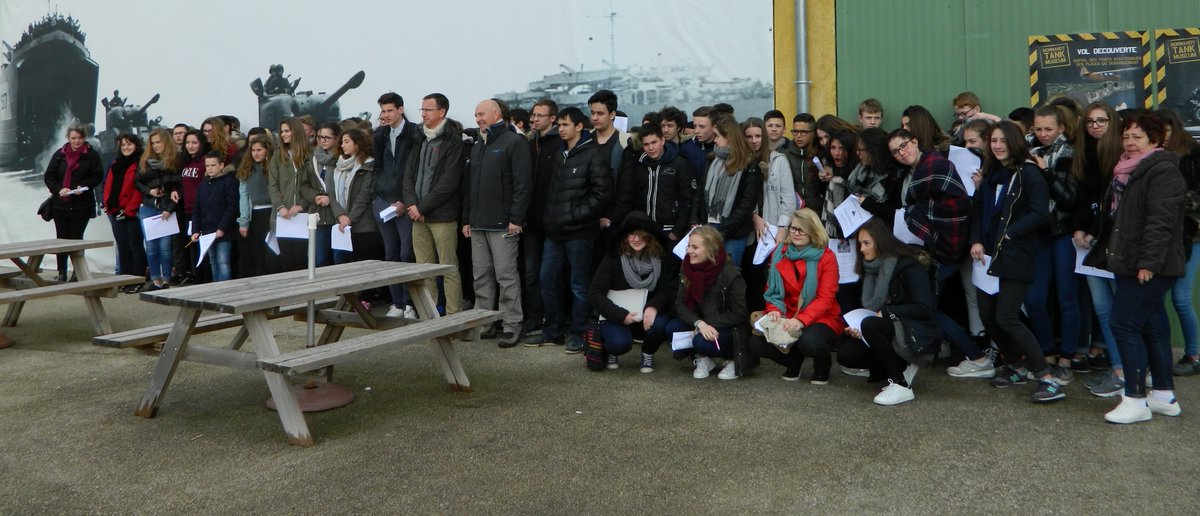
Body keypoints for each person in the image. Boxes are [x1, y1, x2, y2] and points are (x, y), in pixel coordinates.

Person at [1087, 112, 1186, 423]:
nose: (1129, 143)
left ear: (1155, 141)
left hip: (1148, 265)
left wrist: (1148, 263)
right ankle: (1163, 395)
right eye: (1126, 136)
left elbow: (1160, 222)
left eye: (1137, 137)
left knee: (1124, 324)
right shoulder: (1126, 170)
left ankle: (1135, 399)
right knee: (1152, 324)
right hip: (1127, 261)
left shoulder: (1162, 170)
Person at [969, 121, 1061, 403]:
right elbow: (979, 209)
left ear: (1015, 142)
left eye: (1002, 141)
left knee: (1008, 316)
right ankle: (1016, 365)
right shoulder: (992, 172)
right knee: (989, 315)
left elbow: (1039, 213)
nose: (997, 146)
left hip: (1015, 253)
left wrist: (1012, 232)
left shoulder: (1029, 172)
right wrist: (976, 240)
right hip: (986, 256)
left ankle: (1046, 377)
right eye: (993, 140)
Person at [526, 107, 610, 352]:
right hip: (554, 232)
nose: (561, 129)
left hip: (579, 233)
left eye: (565, 125)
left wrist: (574, 216)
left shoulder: (592, 154)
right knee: (547, 280)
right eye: (559, 125)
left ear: (579, 127)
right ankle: (553, 331)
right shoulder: (560, 154)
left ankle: (579, 332)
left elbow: (601, 195)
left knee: (579, 286)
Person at [839, 218, 940, 405]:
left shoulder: (909, 266)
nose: (861, 249)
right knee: (847, 353)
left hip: (914, 330)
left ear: (881, 241)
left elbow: (925, 308)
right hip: (889, 326)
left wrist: (887, 312)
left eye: (866, 243)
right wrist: (857, 329)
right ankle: (899, 366)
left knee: (870, 325)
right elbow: (869, 309)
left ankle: (901, 384)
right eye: (860, 244)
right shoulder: (870, 270)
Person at [463, 99, 531, 348]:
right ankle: (485, 322)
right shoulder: (479, 145)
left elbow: (523, 185)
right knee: (481, 276)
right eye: (475, 114)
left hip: (504, 224)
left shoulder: (514, 142)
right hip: (479, 224)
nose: (478, 118)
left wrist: (516, 219)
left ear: (495, 114)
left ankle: (512, 325)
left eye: (481, 114)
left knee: (506, 276)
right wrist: (467, 219)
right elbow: (471, 186)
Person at [750, 208, 843, 383]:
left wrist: (801, 320)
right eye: (793, 228)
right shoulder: (780, 252)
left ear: (813, 231)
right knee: (756, 343)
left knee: (810, 342)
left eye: (801, 229)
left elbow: (825, 298)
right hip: (787, 314)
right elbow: (772, 290)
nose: (795, 233)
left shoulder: (827, 257)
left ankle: (822, 367)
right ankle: (794, 362)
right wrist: (774, 310)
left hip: (821, 317)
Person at [1072, 102, 1125, 397]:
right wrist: (1080, 228)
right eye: (1090, 121)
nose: (1095, 126)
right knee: (1102, 307)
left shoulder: (1121, 157)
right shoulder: (1083, 156)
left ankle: (1134, 371)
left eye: (1101, 120)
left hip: (1112, 242)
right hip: (1086, 244)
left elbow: (1113, 205)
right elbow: (1082, 197)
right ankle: (1117, 368)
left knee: (1121, 309)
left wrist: (1092, 230)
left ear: (1112, 123)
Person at [1029, 105, 1084, 376]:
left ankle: (1066, 358)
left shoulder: (1070, 153)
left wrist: (1045, 172)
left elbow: (1070, 199)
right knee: (1035, 299)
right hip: (1038, 233)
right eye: (1038, 129)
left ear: (1061, 128)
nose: (1042, 134)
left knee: (1066, 298)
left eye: (1048, 129)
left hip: (1063, 233)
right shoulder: (1028, 151)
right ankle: (1047, 353)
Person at [589, 213, 677, 373]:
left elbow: (665, 290)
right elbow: (595, 293)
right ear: (624, 236)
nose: (636, 239)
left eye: (641, 235)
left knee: (662, 324)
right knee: (619, 343)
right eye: (631, 234)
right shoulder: (613, 257)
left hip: (644, 315)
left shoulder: (658, 258)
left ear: (649, 237)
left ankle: (647, 353)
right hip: (616, 314)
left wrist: (653, 306)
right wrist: (620, 315)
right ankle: (611, 351)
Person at [403, 93, 464, 315]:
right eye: (422, 109)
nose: (423, 114)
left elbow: (448, 183)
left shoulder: (453, 141)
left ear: (442, 112)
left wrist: (422, 207)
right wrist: (412, 205)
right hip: (417, 216)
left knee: (448, 268)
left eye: (428, 109)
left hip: (442, 216)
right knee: (424, 269)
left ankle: (453, 317)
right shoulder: (419, 138)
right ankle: (429, 316)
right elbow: (408, 175)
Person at [666, 226, 748, 380]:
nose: (689, 251)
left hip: (727, 327)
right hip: (701, 323)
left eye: (695, 247)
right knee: (672, 328)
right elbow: (680, 304)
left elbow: (740, 314)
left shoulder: (731, 273)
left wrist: (706, 324)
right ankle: (704, 359)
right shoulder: (687, 267)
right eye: (688, 246)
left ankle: (732, 360)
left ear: (711, 250)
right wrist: (699, 323)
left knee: (701, 341)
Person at [1158, 109, 1200, 377]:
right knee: (1157, 299)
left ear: (1176, 129)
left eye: (1166, 131)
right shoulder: (1154, 156)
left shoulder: (1193, 155)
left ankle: (1194, 355)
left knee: (1182, 299)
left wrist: (1175, 200)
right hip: (1162, 237)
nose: (1161, 137)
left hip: (1190, 235)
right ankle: (1160, 352)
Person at [373, 92, 420, 320]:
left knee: (407, 253)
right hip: (384, 201)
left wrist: (404, 199)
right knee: (390, 253)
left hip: (406, 202)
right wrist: (381, 196)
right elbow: (378, 168)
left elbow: (414, 171)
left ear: (401, 109)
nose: (386, 115)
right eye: (383, 111)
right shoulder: (379, 135)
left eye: (390, 110)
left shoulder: (414, 133)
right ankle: (397, 302)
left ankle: (411, 303)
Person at [610, 122, 696, 241]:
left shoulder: (680, 164)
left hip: (670, 229)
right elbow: (633, 197)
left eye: (654, 142)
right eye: (646, 144)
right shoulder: (638, 164)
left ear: (662, 140)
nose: (650, 148)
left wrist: (676, 231)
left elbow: (688, 201)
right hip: (645, 229)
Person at [695, 116, 761, 265]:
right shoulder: (713, 159)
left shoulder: (749, 164)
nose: (715, 140)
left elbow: (747, 203)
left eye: (717, 136)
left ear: (730, 137)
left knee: (728, 275)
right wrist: (696, 221)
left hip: (734, 232)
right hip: (709, 225)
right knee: (708, 273)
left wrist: (723, 230)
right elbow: (701, 191)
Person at [43, 124, 103, 282]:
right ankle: (61, 271)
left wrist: (84, 186)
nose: (77, 141)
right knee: (62, 238)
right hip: (60, 205)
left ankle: (77, 272)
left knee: (76, 238)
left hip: (81, 204)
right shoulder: (59, 155)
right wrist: (58, 189)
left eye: (80, 138)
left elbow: (97, 176)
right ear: (68, 139)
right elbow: (49, 176)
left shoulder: (92, 155)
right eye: (73, 138)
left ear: (84, 138)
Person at [523, 99, 560, 336]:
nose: (535, 119)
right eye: (533, 115)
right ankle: (534, 317)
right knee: (530, 273)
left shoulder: (559, 144)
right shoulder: (528, 143)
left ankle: (554, 319)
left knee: (551, 275)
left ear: (552, 118)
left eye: (540, 115)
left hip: (552, 221)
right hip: (529, 220)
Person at [101, 133, 147, 293]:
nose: (126, 147)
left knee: (135, 246)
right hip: (115, 211)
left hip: (131, 213)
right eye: (123, 145)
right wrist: (107, 204)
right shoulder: (115, 163)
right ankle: (125, 278)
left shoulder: (140, 164)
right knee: (123, 247)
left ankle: (137, 279)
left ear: (136, 145)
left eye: (129, 144)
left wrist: (129, 210)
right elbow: (108, 185)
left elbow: (138, 189)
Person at [136, 128, 181, 290]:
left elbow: (177, 186)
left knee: (165, 247)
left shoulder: (174, 160)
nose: (155, 146)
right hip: (148, 207)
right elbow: (138, 181)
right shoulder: (145, 159)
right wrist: (150, 191)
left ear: (165, 142)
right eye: (152, 143)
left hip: (166, 208)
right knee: (151, 247)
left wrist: (169, 208)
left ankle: (167, 278)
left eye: (158, 142)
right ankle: (156, 279)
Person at [268, 118, 314, 273]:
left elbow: (314, 185)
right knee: (286, 260)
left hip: (304, 216)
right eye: (282, 131)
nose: (283, 134)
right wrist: (280, 207)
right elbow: (272, 185)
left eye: (287, 131)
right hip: (283, 217)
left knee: (301, 258)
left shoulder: (310, 154)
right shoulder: (277, 155)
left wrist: (302, 204)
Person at [331, 128, 382, 264]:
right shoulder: (338, 167)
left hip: (364, 226)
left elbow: (364, 196)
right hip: (343, 225)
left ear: (358, 143)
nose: (342, 145)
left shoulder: (368, 166)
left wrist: (350, 218)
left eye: (347, 142)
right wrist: (340, 215)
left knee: (367, 266)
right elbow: (331, 194)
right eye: (342, 142)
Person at [190, 151, 239, 282]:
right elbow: (197, 210)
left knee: (223, 261)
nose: (210, 168)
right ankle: (215, 288)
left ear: (221, 165)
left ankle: (225, 290)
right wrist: (195, 230)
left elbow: (232, 208)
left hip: (224, 232)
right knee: (213, 261)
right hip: (207, 231)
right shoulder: (202, 185)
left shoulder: (228, 182)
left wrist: (222, 228)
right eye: (207, 165)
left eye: (213, 165)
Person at [234, 133, 278, 278]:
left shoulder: (274, 166)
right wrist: (244, 221)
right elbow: (244, 196)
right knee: (258, 253)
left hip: (273, 212)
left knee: (272, 252)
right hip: (256, 214)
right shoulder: (247, 168)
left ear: (267, 150)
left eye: (259, 150)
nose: (255, 153)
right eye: (253, 150)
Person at [302, 122, 342, 267]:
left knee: (339, 260)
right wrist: (315, 196)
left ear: (337, 138)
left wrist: (330, 198)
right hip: (318, 215)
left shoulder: (343, 158)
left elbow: (346, 188)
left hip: (338, 215)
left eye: (327, 137)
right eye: (320, 137)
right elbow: (304, 184)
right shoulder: (312, 158)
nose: (322, 141)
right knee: (319, 260)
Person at [174, 128, 210, 284]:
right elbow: (181, 183)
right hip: (186, 210)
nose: (190, 146)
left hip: (200, 211)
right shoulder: (184, 161)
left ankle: (202, 278)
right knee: (190, 244)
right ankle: (192, 275)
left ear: (201, 143)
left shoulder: (204, 162)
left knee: (200, 246)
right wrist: (175, 191)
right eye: (187, 142)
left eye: (194, 142)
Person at [783, 113, 825, 213]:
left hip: (818, 212)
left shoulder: (822, 154)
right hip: (793, 212)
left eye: (803, 132)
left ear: (813, 133)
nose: (798, 136)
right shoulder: (784, 156)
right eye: (795, 131)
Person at [680, 106, 717, 180]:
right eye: (695, 126)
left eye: (701, 126)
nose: (696, 131)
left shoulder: (723, 149)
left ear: (714, 127)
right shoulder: (685, 148)